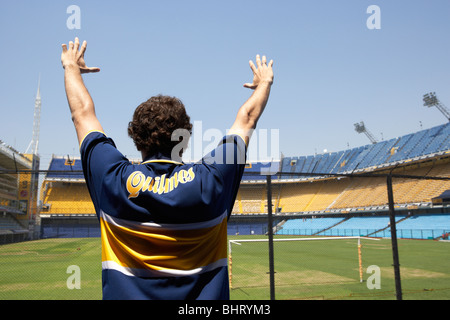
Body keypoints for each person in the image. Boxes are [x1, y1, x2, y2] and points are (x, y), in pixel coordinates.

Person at [61, 37, 274, 300]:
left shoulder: (112, 177)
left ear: (136, 137)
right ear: (184, 138)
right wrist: (264, 82)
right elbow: (247, 118)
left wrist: (71, 66)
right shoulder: (212, 178)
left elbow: (82, 113)